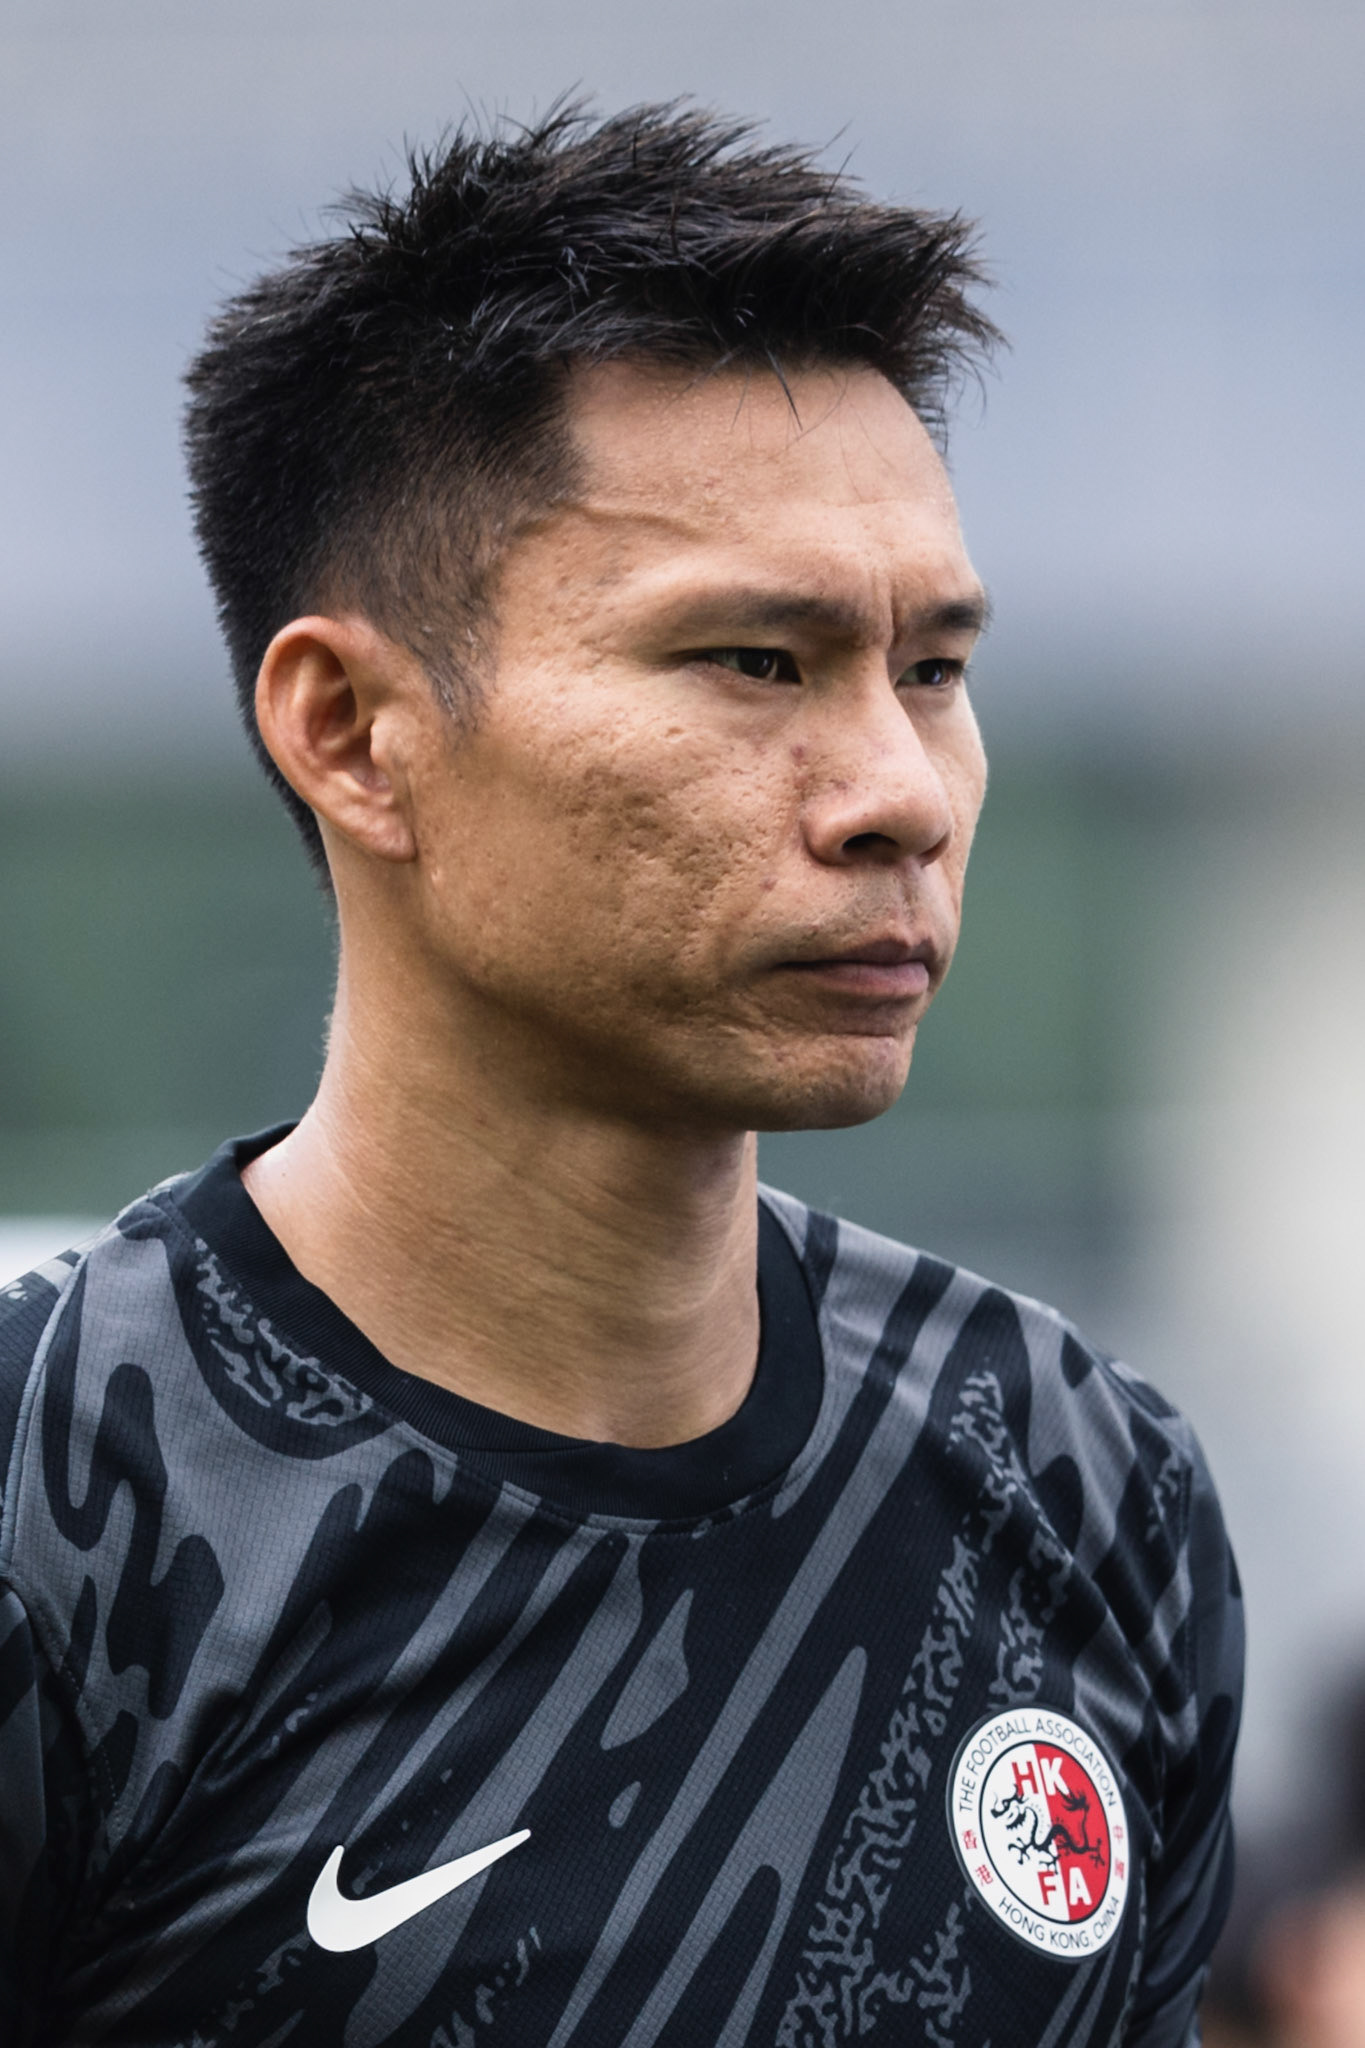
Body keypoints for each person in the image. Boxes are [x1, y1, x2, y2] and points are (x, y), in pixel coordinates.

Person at [0, 103, 1241, 2047]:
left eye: (930, 668)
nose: (899, 795)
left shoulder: (1081, 1480)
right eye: (752, 661)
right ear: (351, 732)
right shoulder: (56, 1498)